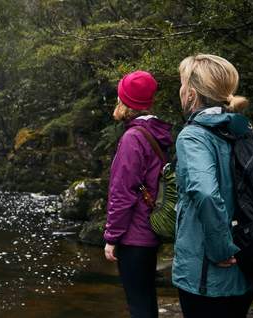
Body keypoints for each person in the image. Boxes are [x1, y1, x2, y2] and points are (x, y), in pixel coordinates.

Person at [173, 54, 253, 318]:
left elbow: (206, 193)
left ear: (192, 94)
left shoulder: (194, 136)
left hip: (208, 274)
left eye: (183, 83)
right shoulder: (244, 129)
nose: (181, 88)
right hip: (247, 263)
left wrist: (220, 249)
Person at [104, 70, 173, 318]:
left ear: (125, 101)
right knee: (146, 298)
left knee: (139, 304)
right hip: (150, 229)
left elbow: (122, 193)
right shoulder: (158, 131)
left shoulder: (133, 137)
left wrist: (112, 237)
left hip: (134, 235)